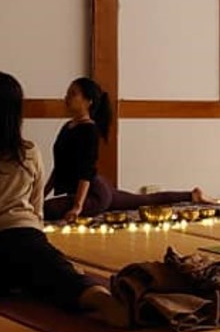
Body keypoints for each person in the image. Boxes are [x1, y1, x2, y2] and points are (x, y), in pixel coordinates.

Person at [0, 72, 128, 326]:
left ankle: (20, 280)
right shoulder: (28, 152)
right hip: (26, 239)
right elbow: (36, 210)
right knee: (60, 275)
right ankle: (98, 297)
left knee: (9, 275)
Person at [43, 77, 211, 223]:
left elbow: (86, 171)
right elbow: (59, 168)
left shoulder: (89, 130)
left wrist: (77, 207)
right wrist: (39, 195)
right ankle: (192, 195)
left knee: (47, 209)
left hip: (94, 194)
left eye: (73, 94)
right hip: (97, 189)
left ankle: (192, 196)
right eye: (67, 93)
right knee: (143, 200)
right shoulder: (67, 127)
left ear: (88, 101)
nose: (66, 97)